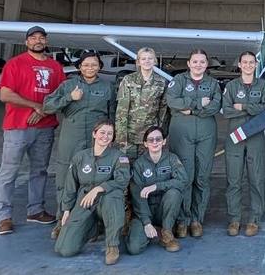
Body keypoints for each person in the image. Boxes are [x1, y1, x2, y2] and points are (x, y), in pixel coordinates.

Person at [0, 26, 66, 235]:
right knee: (9, 172)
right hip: (18, 127)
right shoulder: (15, 64)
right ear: (26, 42)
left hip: (44, 127)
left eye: (41, 37)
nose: (38, 40)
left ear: (46, 41)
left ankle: (35, 210)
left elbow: (61, 95)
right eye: (33, 37)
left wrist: (44, 110)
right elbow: (5, 95)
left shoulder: (55, 67)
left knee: (40, 170)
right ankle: (4, 216)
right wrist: (34, 105)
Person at [43, 51, 117, 239]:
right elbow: (47, 106)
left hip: (97, 138)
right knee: (65, 177)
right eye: (86, 65)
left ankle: (94, 222)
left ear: (100, 66)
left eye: (94, 64)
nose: (90, 68)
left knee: (97, 178)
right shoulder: (68, 85)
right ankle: (63, 221)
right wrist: (69, 98)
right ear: (79, 67)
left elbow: (113, 114)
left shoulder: (108, 87)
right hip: (72, 136)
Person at [54, 121, 131, 265]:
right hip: (85, 200)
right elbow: (70, 185)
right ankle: (92, 228)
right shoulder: (80, 157)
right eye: (102, 132)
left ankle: (112, 245)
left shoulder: (119, 157)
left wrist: (99, 188)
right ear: (94, 134)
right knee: (64, 249)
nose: (105, 136)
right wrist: (66, 210)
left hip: (107, 199)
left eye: (110, 133)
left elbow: (122, 181)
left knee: (113, 197)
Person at [165, 49, 222, 238]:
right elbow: (172, 101)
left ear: (207, 64)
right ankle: (182, 219)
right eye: (195, 61)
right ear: (188, 63)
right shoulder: (178, 81)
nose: (198, 65)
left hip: (206, 132)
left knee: (202, 177)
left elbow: (215, 106)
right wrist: (199, 103)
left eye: (202, 62)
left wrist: (189, 109)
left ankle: (197, 219)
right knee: (185, 176)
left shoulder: (213, 84)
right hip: (182, 132)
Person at [221, 51, 265, 237]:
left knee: (256, 179)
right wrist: (253, 109)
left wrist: (242, 106)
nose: (248, 65)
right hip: (235, 137)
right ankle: (234, 219)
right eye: (245, 62)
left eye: (252, 62)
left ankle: (254, 219)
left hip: (255, 137)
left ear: (256, 64)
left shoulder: (262, 85)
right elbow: (226, 110)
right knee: (233, 180)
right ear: (240, 65)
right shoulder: (231, 86)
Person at [126, 126, 187, 255]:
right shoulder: (139, 164)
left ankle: (166, 232)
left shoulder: (172, 159)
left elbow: (182, 181)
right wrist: (146, 223)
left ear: (164, 141)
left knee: (174, 193)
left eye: (158, 139)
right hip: (144, 211)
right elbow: (137, 195)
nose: (155, 142)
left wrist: (157, 186)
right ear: (145, 143)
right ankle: (150, 232)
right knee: (134, 248)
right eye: (151, 140)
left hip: (164, 210)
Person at [115, 47, 168, 160]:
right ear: (138, 61)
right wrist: (121, 137)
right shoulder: (128, 80)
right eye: (143, 59)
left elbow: (163, 110)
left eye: (150, 58)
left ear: (155, 61)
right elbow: (121, 110)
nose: (147, 61)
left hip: (150, 134)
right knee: (126, 166)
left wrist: (159, 133)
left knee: (147, 167)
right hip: (130, 134)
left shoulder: (161, 82)